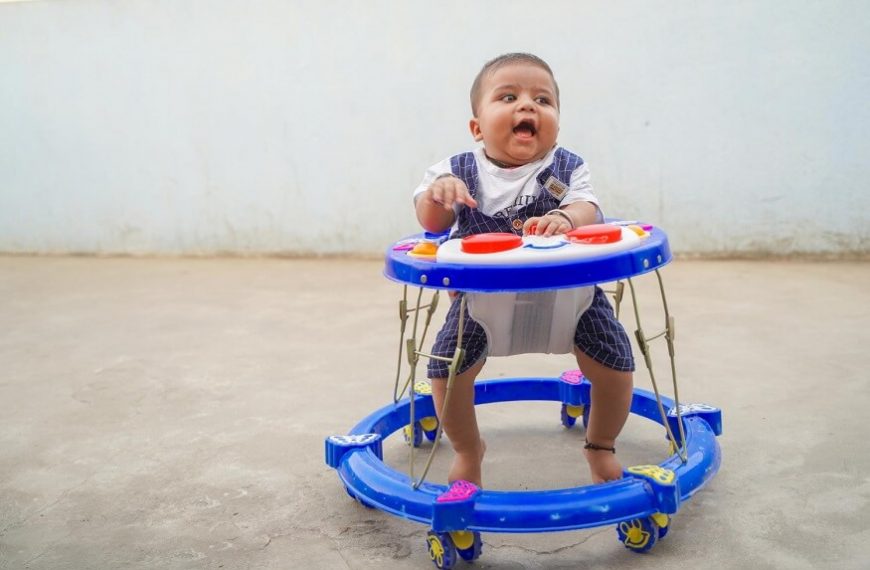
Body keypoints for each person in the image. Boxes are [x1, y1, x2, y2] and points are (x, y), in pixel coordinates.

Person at [412, 53, 634, 486]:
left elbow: (590, 207)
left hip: (570, 298)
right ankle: (468, 449)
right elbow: (431, 225)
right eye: (508, 97)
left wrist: (570, 218)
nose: (528, 106)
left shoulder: (566, 168)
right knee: (446, 370)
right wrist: (438, 198)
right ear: (477, 127)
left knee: (616, 364)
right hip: (482, 302)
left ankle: (601, 445)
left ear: (556, 122)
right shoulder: (455, 171)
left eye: (543, 100)